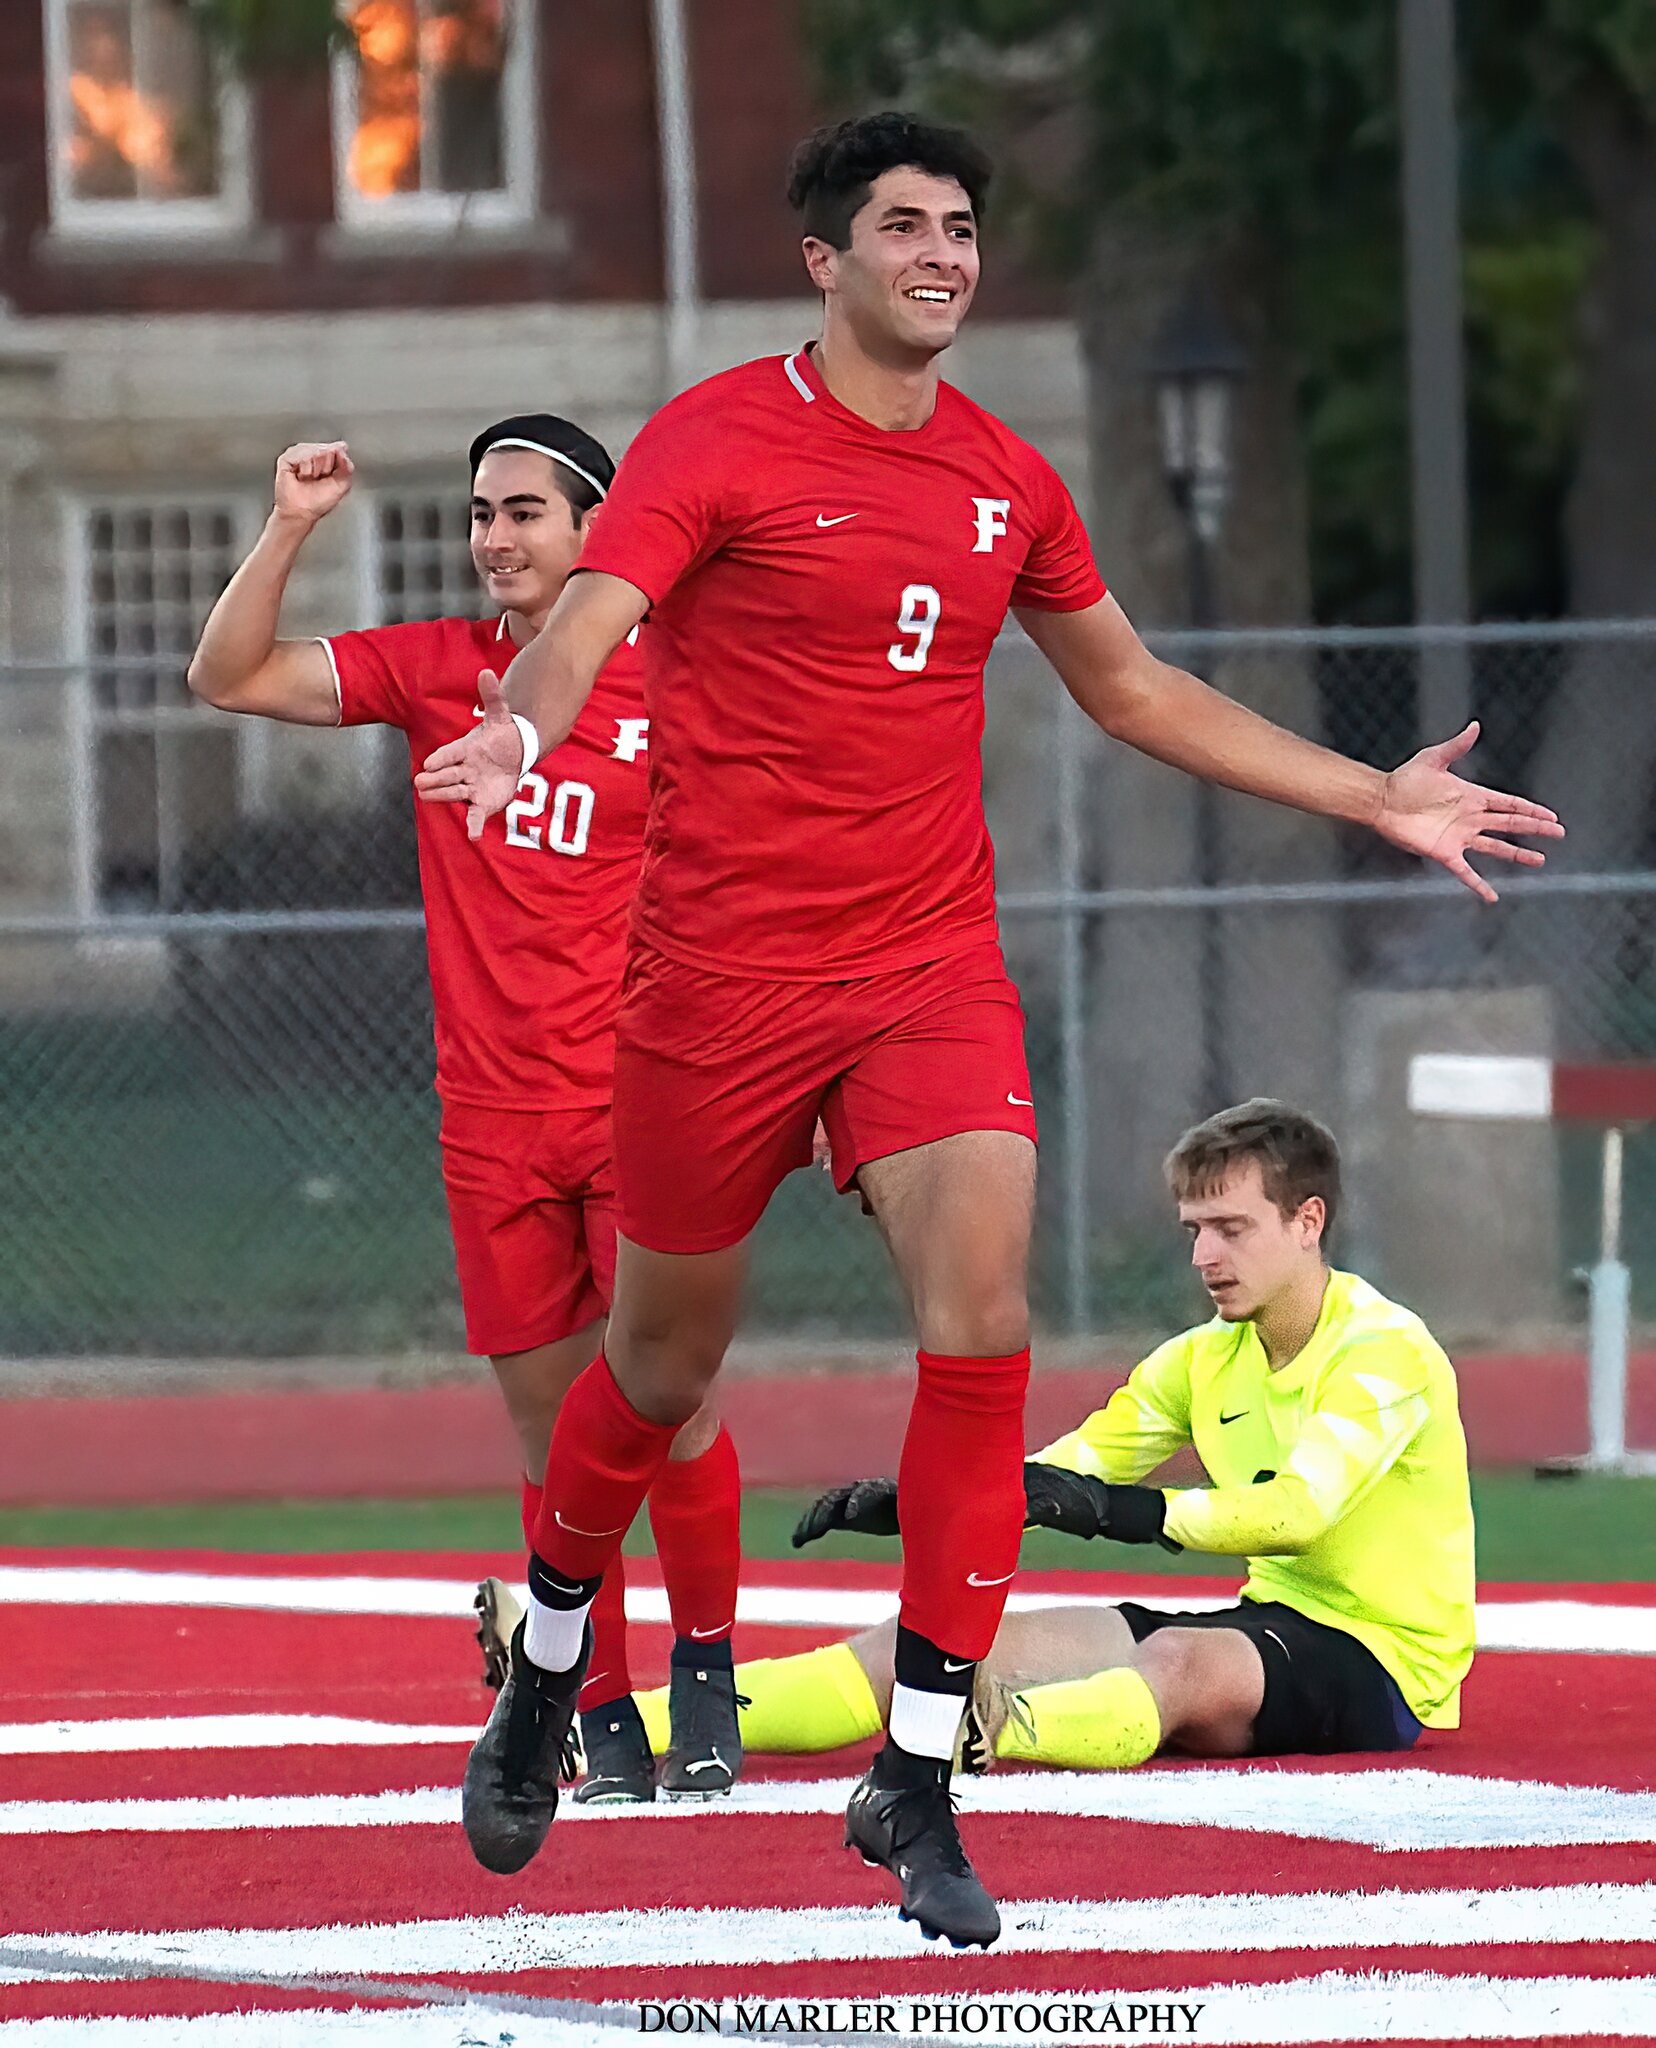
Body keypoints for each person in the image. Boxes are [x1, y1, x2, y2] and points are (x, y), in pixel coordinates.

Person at [415, 112, 1557, 1948]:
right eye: (904, 226)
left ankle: (917, 1775)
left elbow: (1135, 686)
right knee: (657, 1368)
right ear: (827, 260)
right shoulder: (714, 435)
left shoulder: (1008, 476)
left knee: (986, 1328)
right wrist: (526, 726)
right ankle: (552, 1655)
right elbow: (588, 625)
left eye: (960, 227)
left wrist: (1377, 796)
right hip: (711, 981)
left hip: (924, 966)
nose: (943, 252)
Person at [185, 415, 746, 1804]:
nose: (494, 536)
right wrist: (293, 525)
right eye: (481, 513)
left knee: (666, 1405)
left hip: (642, 1107)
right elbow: (227, 675)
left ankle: (710, 1675)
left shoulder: (676, 677)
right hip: (491, 1119)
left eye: (524, 513)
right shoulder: (445, 667)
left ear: (596, 530)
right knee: (556, 1435)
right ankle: (596, 1710)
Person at [676, 1100, 1473, 1778]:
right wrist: (928, 1504)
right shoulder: (1200, 1359)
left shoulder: (1384, 1349)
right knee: (929, 1649)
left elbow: (1299, 1515)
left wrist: (1120, 1514)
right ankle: (631, 1727)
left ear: (1309, 1222)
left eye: (1231, 1229)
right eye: (1194, 1229)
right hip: (1267, 1621)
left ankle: (993, 1736)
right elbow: (1072, 1470)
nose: (1204, 1256)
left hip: (1387, 1665)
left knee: (1178, 1665)